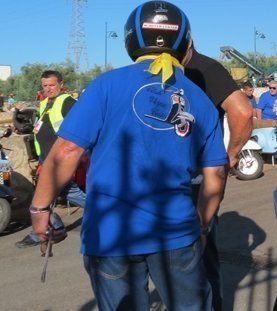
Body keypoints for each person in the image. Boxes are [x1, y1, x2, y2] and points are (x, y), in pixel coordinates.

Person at [29, 2, 226, 310]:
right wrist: (200, 225)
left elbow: (66, 151)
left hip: (111, 233)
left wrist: (40, 210)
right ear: (184, 41)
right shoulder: (199, 99)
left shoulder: (105, 86)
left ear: (130, 39)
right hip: (176, 233)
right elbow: (216, 174)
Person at [182, 40, 254, 310]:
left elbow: (243, 113)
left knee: (199, 256)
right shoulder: (176, 71)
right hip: (184, 179)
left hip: (197, 180)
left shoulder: (205, 68)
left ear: (187, 41)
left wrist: (230, 156)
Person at [14, 70, 87, 248]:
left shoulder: (67, 102)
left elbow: (79, 127)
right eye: (45, 85)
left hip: (59, 161)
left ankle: (41, 231)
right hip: (46, 159)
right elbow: (43, 128)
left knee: (44, 197)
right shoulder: (45, 103)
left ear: (61, 84)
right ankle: (54, 225)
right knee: (65, 194)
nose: (48, 89)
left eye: (52, 85)